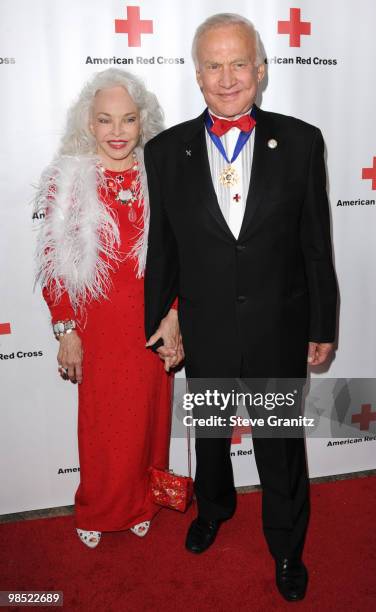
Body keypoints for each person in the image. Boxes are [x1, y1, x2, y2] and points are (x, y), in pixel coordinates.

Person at [144, 13, 338, 601]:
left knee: (280, 445)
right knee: (208, 431)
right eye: (213, 65)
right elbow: (164, 248)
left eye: (239, 63)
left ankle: (286, 545)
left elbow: (315, 243)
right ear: (197, 74)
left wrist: (322, 322)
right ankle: (215, 508)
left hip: (278, 325)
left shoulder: (301, 140)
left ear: (260, 70)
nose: (227, 78)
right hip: (205, 327)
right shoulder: (165, 149)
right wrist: (160, 318)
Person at [34, 68, 182, 548]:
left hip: (151, 320)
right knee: (102, 427)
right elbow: (54, 264)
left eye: (128, 120)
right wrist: (67, 330)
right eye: (105, 120)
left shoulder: (157, 175)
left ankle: (144, 501)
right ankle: (98, 508)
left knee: (151, 421)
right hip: (97, 326)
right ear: (89, 124)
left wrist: (174, 316)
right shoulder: (70, 179)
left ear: (143, 122)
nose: (117, 132)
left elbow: (180, 254)